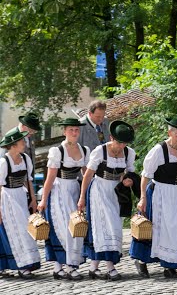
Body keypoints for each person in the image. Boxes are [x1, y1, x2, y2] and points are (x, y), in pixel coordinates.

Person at [130, 117, 177, 279]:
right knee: (155, 228)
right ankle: (141, 261)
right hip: (159, 193)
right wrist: (142, 197)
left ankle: (170, 265)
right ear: (169, 132)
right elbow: (145, 176)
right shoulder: (159, 150)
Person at [79, 119, 137, 280]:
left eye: (124, 143)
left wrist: (128, 180)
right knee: (104, 226)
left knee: (115, 225)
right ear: (111, 138)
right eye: (119, 142)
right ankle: (111, 267)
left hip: (116, 191)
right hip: (99, 189)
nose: (121, 146)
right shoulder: (100, 151)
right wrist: (82, 196)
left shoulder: (129, 153)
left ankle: (93, 267)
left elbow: (130, 173)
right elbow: (88, 175)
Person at [38, 118, 89, 280]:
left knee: (77, 226)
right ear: (64, 131)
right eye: (71, 130)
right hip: (59, 191)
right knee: (64, 227)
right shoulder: (57, 151)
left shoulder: (84, 150)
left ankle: (63, 266)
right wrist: (43, 200)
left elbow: (86, 175)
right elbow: (50, 178)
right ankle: (67, 266)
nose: (74, 133)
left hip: (74, 189)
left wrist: (84, 195)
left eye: (76, 130)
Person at [0, 130, 40, 277]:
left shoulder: (25, 159)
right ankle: (21, 265)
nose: (24, 143)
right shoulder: (4, 162)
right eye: (22, 142)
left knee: (26, 229)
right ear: (13, 145)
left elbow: (28, 180)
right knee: (15, 231)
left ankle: (27, 262)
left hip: (21, 197)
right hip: (8, 198)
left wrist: (33, 200)